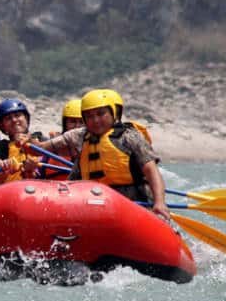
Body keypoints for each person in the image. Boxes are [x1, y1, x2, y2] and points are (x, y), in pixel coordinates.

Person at [28, 89, 169, 219]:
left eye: (101, 114)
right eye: (89, 116)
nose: (95, 120)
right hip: (93, 203)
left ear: (113, 113)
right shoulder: (80, 136)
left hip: (134, 202)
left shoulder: (130, 137)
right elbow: (40, 148)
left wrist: (159, 202)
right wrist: (26, 142)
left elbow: (151, 170)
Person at [0, 99, 41, 187]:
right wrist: (5, 169)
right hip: (13, 194)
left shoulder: (42, 141)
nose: (14, 120)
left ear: (26, 119)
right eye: (8, 118)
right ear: (2, 126)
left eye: (17, 115)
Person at [42, 99, 84, 180]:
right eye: (72, 121)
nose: (77, 126)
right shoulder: (52, 147)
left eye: (81, 122)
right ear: (65, 124)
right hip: (55, 190)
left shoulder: (94, 146)